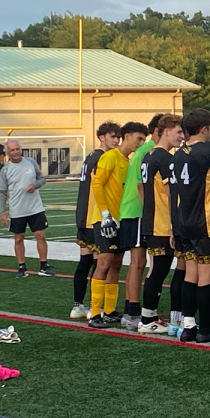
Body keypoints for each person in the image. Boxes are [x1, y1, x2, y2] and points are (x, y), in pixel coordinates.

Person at [170, 109, 210, 343]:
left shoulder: (178, 154)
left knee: (190, 275)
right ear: (204, 128)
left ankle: (188, 326)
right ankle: (205, 329)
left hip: (184, 222)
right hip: (207, 222)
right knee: (207, 277)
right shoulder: (208, 151)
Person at [89, 122, 149, 328]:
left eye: (144, 140)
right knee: (104, 262)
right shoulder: (110, 156)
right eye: (138, 138)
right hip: (106, 219)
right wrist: (105, 213)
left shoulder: (128, 161)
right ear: (128, 136)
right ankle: (94, 312)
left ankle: (109, 309)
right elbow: (97, 183)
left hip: (121, 219)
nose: (140, 143)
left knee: (116, 263)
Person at [137, 115, 184, 334]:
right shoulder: (164, 158)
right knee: (158, 270)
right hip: (161, 222)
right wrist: (176, 225)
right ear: (166, 131)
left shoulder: (149, 155)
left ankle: (149, 316)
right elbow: (169, 194)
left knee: (155, 269)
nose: (182, 137)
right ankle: (147, 320)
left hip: (152, 219)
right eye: (178, 132)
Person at [70, 122, 121, 319]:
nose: (116, 140)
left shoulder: (90, 156)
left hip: (83, 214)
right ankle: (95, 307)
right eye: (112, 136)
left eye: (118, 137)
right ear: (101, 137)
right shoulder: (103, 157)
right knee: (102, 263)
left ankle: (77, 305)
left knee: (85, 261)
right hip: (95, 216)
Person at [117, 113, 162, 330]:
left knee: (137, 263)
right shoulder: (149, 151)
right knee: (138, 263)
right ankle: (133, 312)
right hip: (136, 211)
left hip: (131, 211)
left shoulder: (144, 151)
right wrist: (150, 213)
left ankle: (129, 309)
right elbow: (140, 186)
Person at [0, 139, 53, 278]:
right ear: (7, 153)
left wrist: (35, 185)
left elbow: (42, 179)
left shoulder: (31, 162)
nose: (16, 152)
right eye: (12, 150)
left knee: (40, 235)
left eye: (17, 149)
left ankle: (43, 265)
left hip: (35, 207)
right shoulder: (5, 170)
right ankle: (22, 267)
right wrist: (3, 212)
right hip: (17, 209)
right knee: (18, 238)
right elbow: (2, 192)